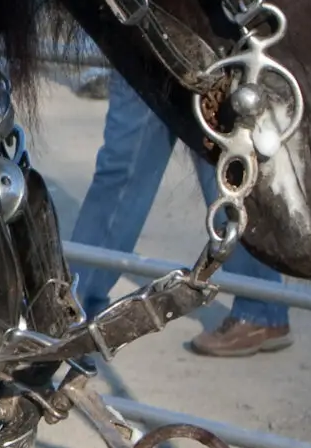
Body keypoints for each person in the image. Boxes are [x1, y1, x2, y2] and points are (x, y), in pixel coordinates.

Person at [71, 71, 292, 357]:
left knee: (223, 168)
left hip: (206, 50)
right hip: (142, 45)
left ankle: (262, 310)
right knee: (124, 170)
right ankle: (76, 307)